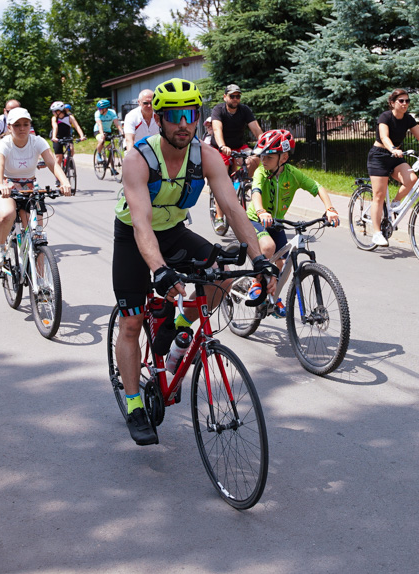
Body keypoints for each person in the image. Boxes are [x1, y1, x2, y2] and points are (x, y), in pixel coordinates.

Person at [113, 78, 276, 446]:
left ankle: (179, 324)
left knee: (222, 278)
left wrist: (258, 258)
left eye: (189, 115)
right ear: (159, 119)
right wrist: (158, 270)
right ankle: (135, 402)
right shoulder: (138, 159)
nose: (182, 124)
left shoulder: (205, 155)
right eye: (173, 116)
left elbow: (233, 209)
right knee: (131, 322)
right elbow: (141, 225)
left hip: (173, 230)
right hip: (135, 236)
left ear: (197, 115)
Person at [245, 129, 341, 316]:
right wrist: (261, 211)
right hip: (256, 218)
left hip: (276, 222)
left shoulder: (293, 174)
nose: (263, 161)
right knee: (268, 246)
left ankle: (272, 296)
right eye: (262, 156)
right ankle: (256, 283)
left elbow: (317, 187)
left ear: (284, 157)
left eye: (269, 157)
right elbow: (255, 191)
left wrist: (330, 208)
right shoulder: (261, 172)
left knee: (283, 261)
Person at [0, 108, 72, 267]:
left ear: (30, 126)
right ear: (9, 128)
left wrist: (64, 182)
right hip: (7, 185)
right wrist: (1, 184)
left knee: (37, 237)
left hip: (30, 186)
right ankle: (0, 247)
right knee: (7, 214)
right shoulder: (3, 144)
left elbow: (51, 163)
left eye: (25, 124)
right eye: (17, 125)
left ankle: (42, 286)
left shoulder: (37, 141)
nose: (22, 128)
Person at [366, 88, 419, 247]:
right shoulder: (385, 116)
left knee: (412, 179)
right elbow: (384, 136)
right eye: (401, 101)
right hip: (379, 156)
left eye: (407, 101)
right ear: (392, 103)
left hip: (396, 156)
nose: (405, 103)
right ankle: (377, 233)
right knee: (378, 195)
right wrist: (392, 148)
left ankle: (394, 204)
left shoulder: (408, 119)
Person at [210, 84, 264, 234]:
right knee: (222, 178)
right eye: (232, 96)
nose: (235, 99)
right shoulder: (218, 110)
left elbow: (256, 129)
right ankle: (219, 217)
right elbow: (216, 129)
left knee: (254, 159)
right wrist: (222, 146)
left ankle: (244, 182)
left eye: (237, 96)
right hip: (222, 147)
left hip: (239, 146)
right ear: (225, 96)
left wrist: (265, 143)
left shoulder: (244, 110)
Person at [49, 101, 86, 173]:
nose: (53, 113)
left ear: (59, 111)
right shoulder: (54, 118)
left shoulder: (69, 117)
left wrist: (82, 136)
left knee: (71, 149)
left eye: (54, 111)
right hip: (57, 137)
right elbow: (55, 127)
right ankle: (58, 177)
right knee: (58, 158)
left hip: (67, 136)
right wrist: (54, 137)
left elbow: (77, 126)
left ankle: (68, 161)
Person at [94, 99, 122, 166]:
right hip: (98, 130)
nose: (99, 109)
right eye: (98, 108)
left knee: (111, 148)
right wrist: (101, 134)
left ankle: (112, 168)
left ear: (105, 109)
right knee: (101, 140)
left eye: (100, 108)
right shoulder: (97, 113)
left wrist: (122, 131)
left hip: (108, 131)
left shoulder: (112, 113)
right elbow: (99, 125)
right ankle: (98, 155)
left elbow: (116, 123)